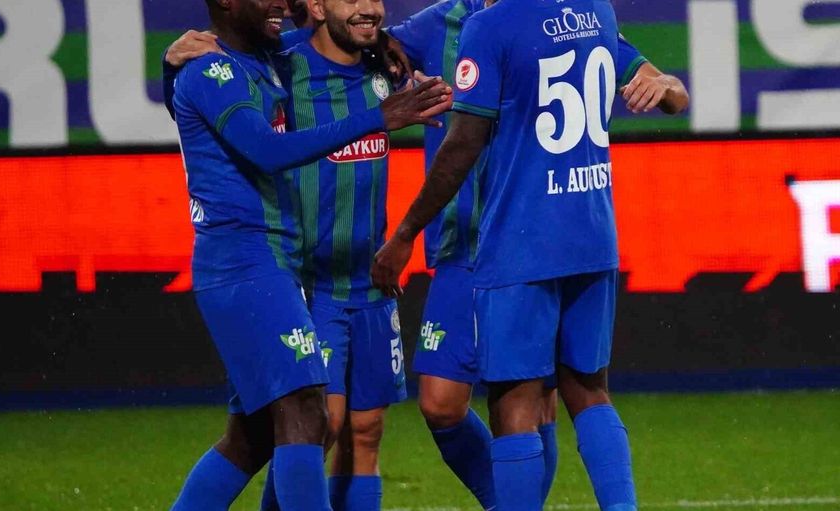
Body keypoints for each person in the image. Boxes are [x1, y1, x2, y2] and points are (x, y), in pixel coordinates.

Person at [371, 0, 688, 510]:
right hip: (589, 233)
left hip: (518, 240)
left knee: (516, 402)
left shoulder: (489, 26)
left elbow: (464, 143)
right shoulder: (594, 10)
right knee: (587, 389)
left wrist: (406, 230)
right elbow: (377, 44)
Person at [167, 0, 451, 509]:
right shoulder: (212, 70)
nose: (282, 2)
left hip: (273, 259)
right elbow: (267, 150)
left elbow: (333, 36)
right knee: (306, 413)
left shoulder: (265, 57)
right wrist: (379, 117)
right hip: (244, 260)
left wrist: (386, 42)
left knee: (254, 435)